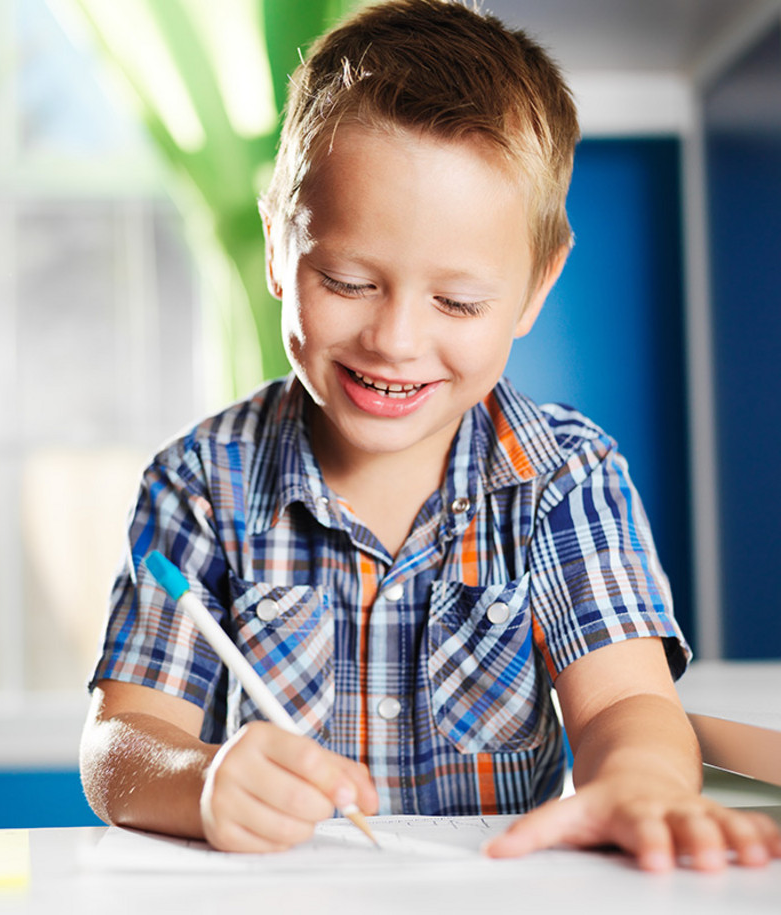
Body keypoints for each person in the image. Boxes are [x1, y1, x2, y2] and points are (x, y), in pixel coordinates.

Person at [80, 0, 781, 872]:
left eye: (457, 301)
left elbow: (623, 707)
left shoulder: (563, 477)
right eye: (346, 279)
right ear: (275, 245)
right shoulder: (198, 482)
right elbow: (121, 743)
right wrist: (204, 779)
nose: (396, 340)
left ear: (535, 286)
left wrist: (639, 782)